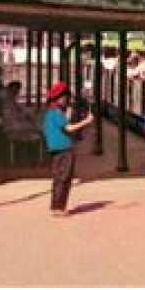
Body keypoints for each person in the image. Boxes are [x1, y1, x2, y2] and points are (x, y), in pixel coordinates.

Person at [43, 81, 93, 217]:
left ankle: (57, 206)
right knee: (64, 178)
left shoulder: (52, 113)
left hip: (58, 149)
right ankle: (59, 207)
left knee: (59, 177)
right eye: (65, 97)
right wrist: (86, 121)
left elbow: (65, 123)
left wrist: (69, 112)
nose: (67, 100)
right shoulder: (55, 113)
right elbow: (69, 128)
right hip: (64, 148)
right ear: (59, 98)